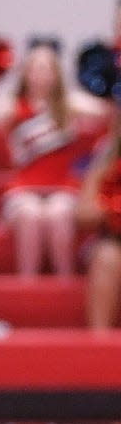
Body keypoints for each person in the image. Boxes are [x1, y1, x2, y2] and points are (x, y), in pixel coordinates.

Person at [0, 38, 103, 278]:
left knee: (59, 213)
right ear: (25, 72)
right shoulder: (12, 106)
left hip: (63, 188)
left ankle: (63, 279)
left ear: (56, 74)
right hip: (23, 190)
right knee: (31, 214)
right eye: (35, 68)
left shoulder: (69, 104)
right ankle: (28, 281)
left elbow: (105, 110)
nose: (41, 74)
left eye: (47, 68)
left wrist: (100, 74)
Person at [77, 112, 121, 328]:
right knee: (106, 258)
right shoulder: (106, 160)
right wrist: (112, 208)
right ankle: (100, 344)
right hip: (112, 239)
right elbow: (82, 213)